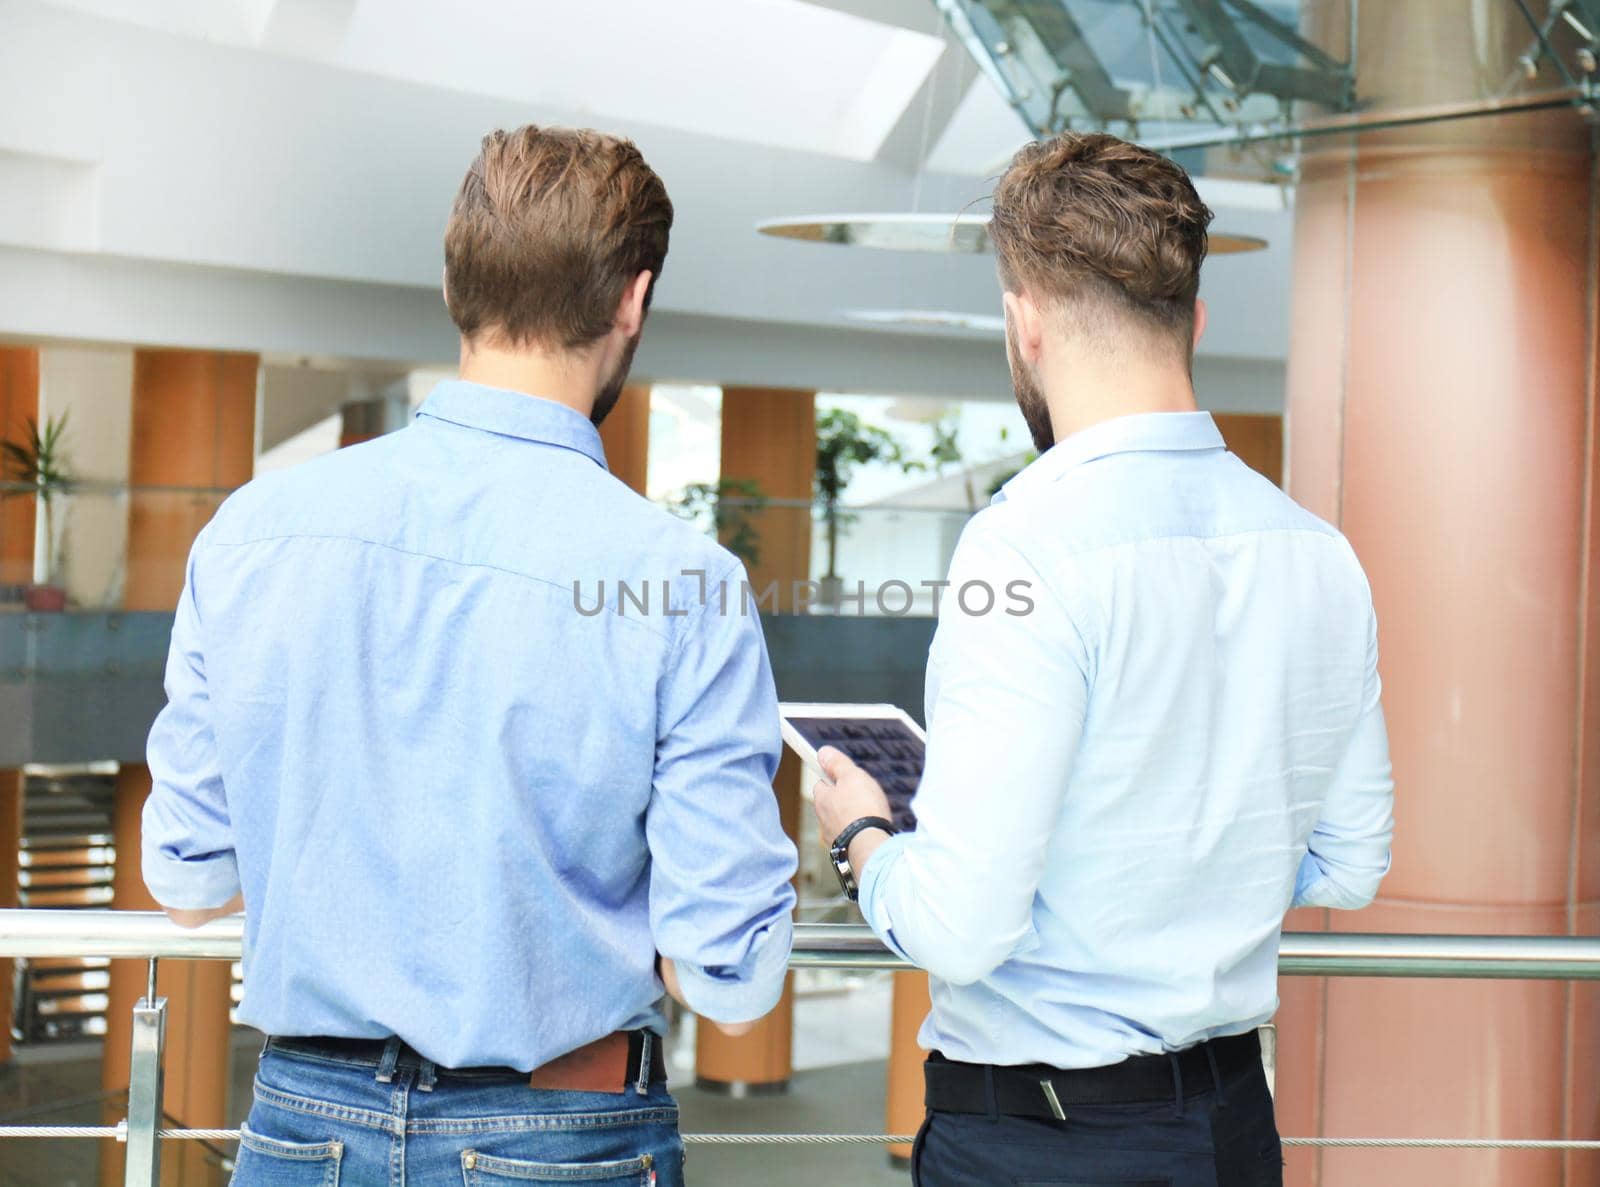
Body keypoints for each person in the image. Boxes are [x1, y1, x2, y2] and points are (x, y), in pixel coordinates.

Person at [142, 125, 797, 1186]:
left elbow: (185, 874)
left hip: (303, 1127)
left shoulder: (251, 532)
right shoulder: (683, 580)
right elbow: (725, 974)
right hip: (564, 1132)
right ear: (631, 302)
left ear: (457, 284)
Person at [812, 132, 1394, 1187]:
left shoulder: (1022, 545)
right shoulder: (1320, 552)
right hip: (1229, 1131)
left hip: (1042, 1145)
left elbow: (963, 925)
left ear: (1022, 320)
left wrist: (862, 836)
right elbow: (1353, 860)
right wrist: (1182, 862)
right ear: (1196, 320)